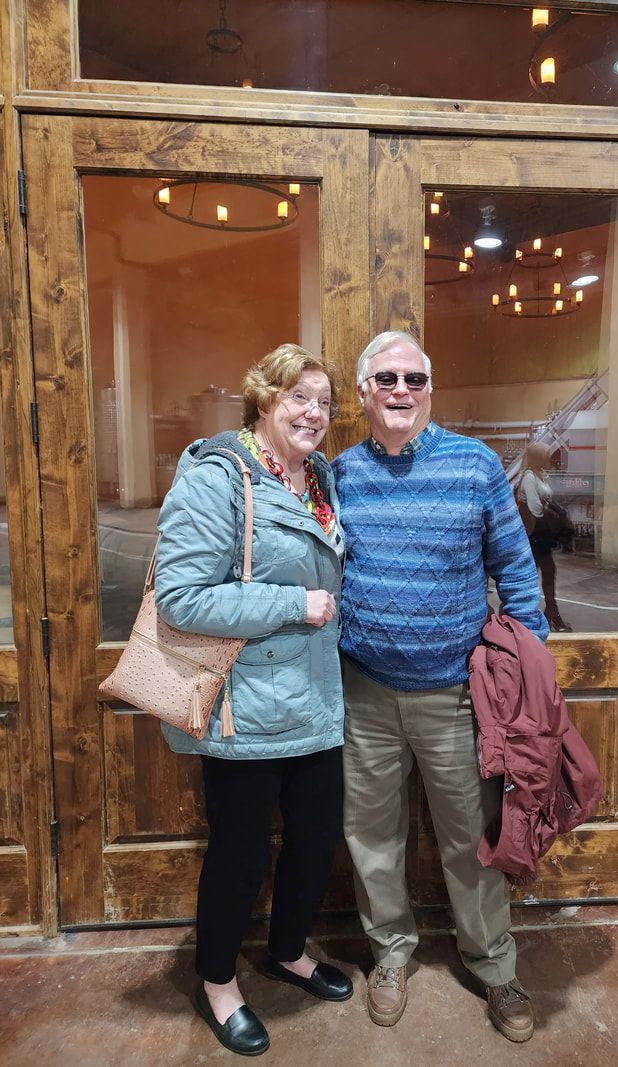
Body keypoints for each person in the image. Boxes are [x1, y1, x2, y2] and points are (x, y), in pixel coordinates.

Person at [332, 331, 548, 1044]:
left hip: (457, 695)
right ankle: (390, 953)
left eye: (414, 379)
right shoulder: (338, 476)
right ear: (363, 390)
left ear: (430, 389)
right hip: (364, 689)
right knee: (371, 834)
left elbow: (516, 569)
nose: (401, 391)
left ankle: (494, 965)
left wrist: (533, 671)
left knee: (472, 838)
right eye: (387, 378)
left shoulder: (475, 465)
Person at [155, 344, 351, 1056]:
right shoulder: (218, 477)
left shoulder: (317, 477)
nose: (314, 412)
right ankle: (217, 982)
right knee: (239, 854)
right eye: (299, 396)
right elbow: (181, 598)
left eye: (325, 401)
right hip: (247, 706)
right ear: (264, 399)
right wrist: (296, 602)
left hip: (317, 699)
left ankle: (288, 950)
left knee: (315, 837)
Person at [518, 440, 573, 632]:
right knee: (533, 578)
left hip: (541, 537)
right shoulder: (530, 477)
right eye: (545, 455)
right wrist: (551, 511)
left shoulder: (541, 476)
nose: (549, 458)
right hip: (534, 536)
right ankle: (533, 618)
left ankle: (551, 614)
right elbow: (535, 509)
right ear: (538, 457)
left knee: (547, 575)